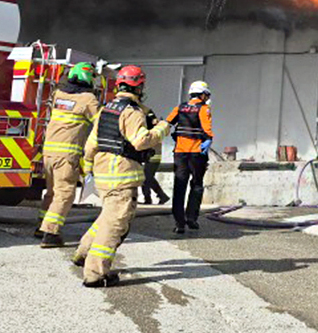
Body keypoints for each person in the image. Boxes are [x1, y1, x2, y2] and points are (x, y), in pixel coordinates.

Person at [72, 65, 169, 287]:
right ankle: (95, 274)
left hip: (103, 174)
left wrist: (88, 169)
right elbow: (141, 141)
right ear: (139, 87)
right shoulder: (132, 112)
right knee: (114, 225)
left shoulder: (106, 109)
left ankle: (82, 253)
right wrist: (162, 129)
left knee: (107, 217)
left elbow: (91, 144)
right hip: (122, 176)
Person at [36, 62, 101, 248]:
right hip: (67, 154)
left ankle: (41, 226)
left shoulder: (59, 94)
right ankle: (50, 234)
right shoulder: (88, 99)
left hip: (48, 153)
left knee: (52, 192)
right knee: (65, 193)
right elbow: (101, 122)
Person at [166, 81, 213, 234]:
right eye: (206, 95)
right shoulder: (203, 109)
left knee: (179, 186)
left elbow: (167, 122)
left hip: (180, 153)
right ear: (202, 94)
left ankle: (179, 223)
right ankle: (191, 218)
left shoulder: (180, 107)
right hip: (196, 153)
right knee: (197, 184)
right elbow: (207, 129)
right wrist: (208, 140)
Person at [140, 107, 168, 205]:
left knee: (146, 177)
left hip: (153, 156)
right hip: (150, 155)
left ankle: (159, 196)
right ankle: (152, 198)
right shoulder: (153, 128)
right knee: (146, 177)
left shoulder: (152, 130)